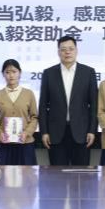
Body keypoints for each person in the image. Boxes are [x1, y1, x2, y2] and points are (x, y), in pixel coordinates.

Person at [39, 35, 98, 165]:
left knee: (81, 174)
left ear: (76, 51)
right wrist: (44, 132)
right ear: (58, 52)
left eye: (71, 49)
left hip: (82, 133)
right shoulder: (49, 73)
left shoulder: (88, 72)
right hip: (55, 134)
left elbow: (94, 105)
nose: (67, 52)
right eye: (63, 49)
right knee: (57, 174)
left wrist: (92, 130)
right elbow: (42, 105)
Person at [0, 59, 38, 165]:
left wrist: (27, 132)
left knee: (26, 174)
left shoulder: (29, 94)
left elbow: (34, 117)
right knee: (3, 174)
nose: (11, 75)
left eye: (14, 72)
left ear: (20, 73)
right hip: (3, 144)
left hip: (25, 143)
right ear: (3, 74)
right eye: (7, 72)